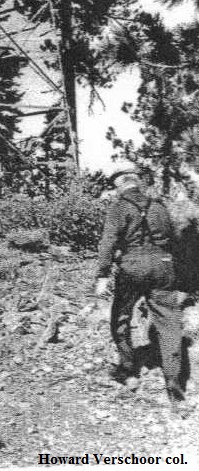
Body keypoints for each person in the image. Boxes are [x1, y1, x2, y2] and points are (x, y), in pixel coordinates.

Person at [95, 162, 188, 413]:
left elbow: (108, 241)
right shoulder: (159, 206)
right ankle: (174, 387)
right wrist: (182, 277)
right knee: (169, 324)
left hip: (131, 265)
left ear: (118, 184)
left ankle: (127, 368)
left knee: (121, 317)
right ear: (138, 181)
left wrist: (102, 274)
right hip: (163, 265)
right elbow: (176, 241)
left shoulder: (119, 207)